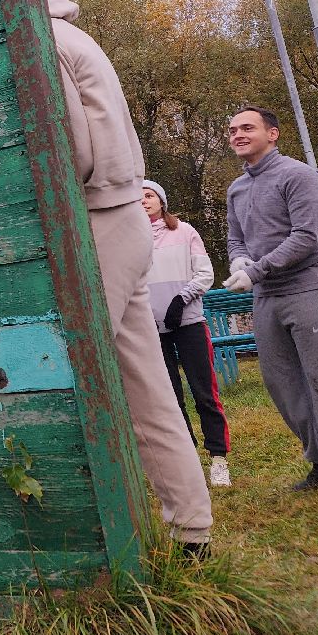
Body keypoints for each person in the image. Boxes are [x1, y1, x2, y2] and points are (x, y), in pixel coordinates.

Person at [48, 0, 214, 553]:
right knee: (145, 383)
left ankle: (86, 537)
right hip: (116, 216)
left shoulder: (45, 43)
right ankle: (192, 531)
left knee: (68, 370)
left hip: (96, 218)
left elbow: (66, 147)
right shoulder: (71, 37)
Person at [224, 105, 318, 497]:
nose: (237, 134)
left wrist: (255, 270)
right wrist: (239, 259)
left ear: (272, 134)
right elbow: (236, 238)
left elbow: (307, 236)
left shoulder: (298, 175)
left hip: (309, 289)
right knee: (283, 384)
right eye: (232, 130)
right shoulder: (236, 189)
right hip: (267, 298)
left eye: (247, 128)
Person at [142, 180, 231, 487]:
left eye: (149, 195)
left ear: (161, 200)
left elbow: (205, 274)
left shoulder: (184, 231)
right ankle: (187, 460)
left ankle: (218, 458)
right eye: (137, 197)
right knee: (170, 397)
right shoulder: (130, 240)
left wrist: (182, 299)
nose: (143, 201)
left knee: (204, 392)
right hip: (153, 329)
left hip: (189, 322)